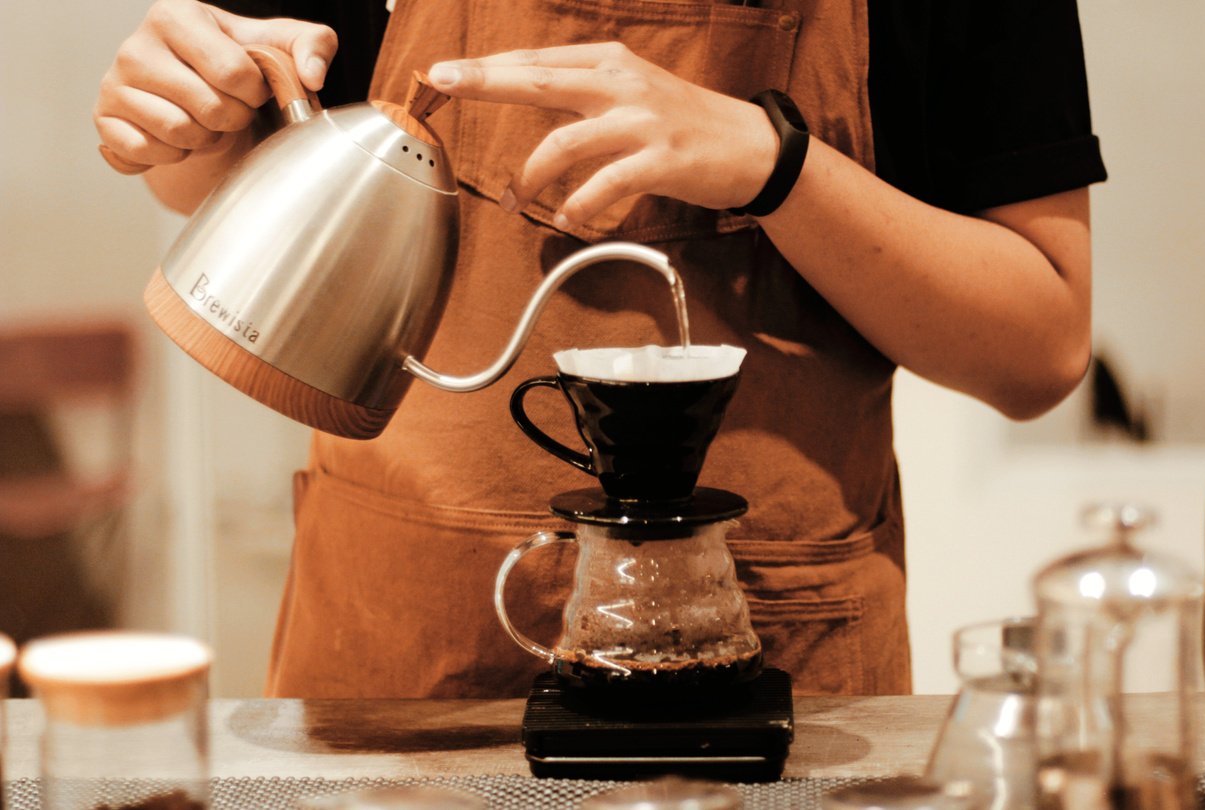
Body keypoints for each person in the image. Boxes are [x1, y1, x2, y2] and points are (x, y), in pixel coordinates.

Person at [95, 0, 1106, 698]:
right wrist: (184, 112)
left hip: (770, 671)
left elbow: (1038, 345)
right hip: (397, 662)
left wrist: (777, 167)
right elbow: (226, 156)